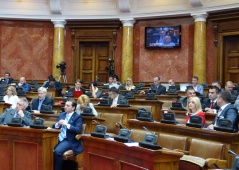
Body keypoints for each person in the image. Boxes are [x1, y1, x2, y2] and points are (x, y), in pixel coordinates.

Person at [53, 98, 83, 170]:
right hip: (58, 137)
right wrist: (57, 124)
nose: (65, 107)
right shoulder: (62, 114)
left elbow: (78, 130)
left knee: (57, 152)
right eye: (65, 105)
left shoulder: (77, 117)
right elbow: (54, 127)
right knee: (46, 147)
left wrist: (67, 125)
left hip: (69, 139)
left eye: (68, 105)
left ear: (73, 108)